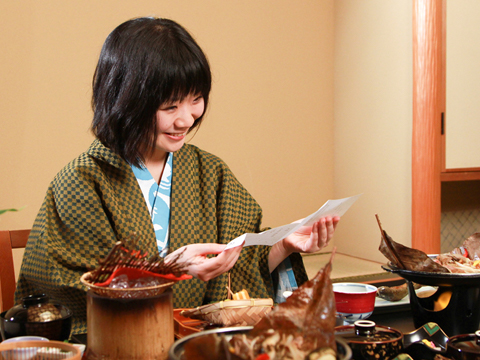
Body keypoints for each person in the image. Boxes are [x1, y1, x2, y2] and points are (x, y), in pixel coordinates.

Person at [15, 17, 340, 335]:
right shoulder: (82, 182)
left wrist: (284, 244)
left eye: (195, 99)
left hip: (199, 346)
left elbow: (241, 273)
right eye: (170, 106)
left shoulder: (210, 173)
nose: (186, 119)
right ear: (125, 100)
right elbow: (72, 295)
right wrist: (170, 270)